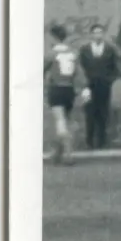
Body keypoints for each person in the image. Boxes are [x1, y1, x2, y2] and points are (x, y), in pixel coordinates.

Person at [78, 22, 119, 149]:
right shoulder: (84, 49)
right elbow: (81, 67)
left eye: (100, 32)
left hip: (104, 85)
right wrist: (83, 85)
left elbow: (114, 67)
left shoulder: (109, 49)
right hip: (89, 85)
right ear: (91, 35)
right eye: (95, 33)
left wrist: (109, 80)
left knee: (103, 112)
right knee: (90, 112)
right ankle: (89, 141)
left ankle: (101, 141)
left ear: (103, 34)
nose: (98, 35)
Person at [44, 24, 79, 164]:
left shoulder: (52, 54)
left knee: (60, 121)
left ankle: (68, 153)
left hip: (56, 89)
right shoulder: (73, 53)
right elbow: (77, 72)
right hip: (69, 89)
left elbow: (42, 69)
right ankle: (57, 153)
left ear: (54, 38)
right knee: (66, 119)